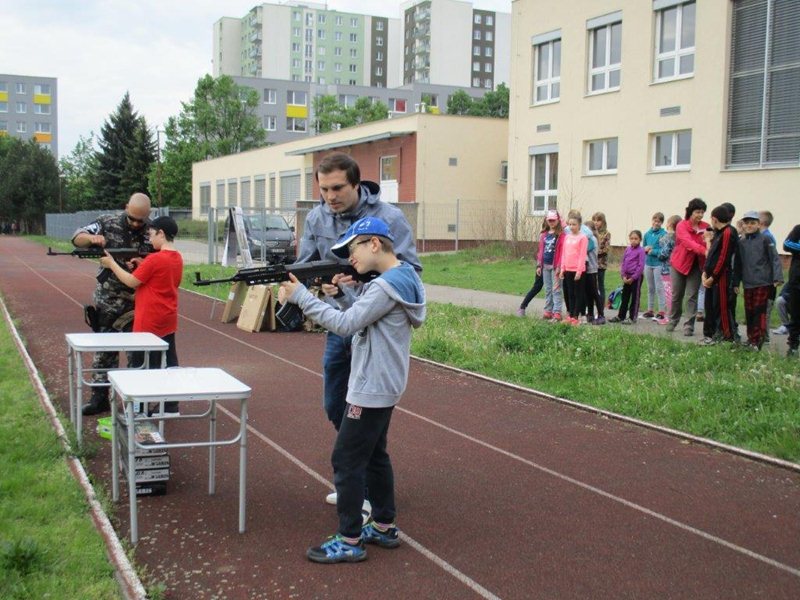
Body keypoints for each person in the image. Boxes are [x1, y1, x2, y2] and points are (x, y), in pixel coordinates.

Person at [279, 217, 426, 564]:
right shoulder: (404, 278)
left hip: (370, 386)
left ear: (374, 243)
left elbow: (346, 326)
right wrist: (345, 294)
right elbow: (366, 316)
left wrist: (301, 297)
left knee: (345, 460)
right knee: (375, 455)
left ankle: (349, 539)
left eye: (353, 248)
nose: (350, 258)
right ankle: (385, 526)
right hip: (384, 383)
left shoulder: (383, 286)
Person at [296, 153, 421, 509]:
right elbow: (307, 265)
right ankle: (360, 473)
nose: (330, 197)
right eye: (323, 190)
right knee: (336, 403)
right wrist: (322, 284)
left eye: (337, 188)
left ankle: (360, 482)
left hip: (373, 323)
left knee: (368, 407)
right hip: (340, 316)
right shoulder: (317, 216)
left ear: (356, 184)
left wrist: (363, 278)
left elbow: (409, 268)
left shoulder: (388, 218)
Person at [72, 193, 153, 415]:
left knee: (137, 355)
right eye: (132, 218)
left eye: (141, 220)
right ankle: (99, 397)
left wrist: (143, 263)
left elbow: (162, 258)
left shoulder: (152, 231)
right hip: (108, 300)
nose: (136, 224)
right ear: (126, 207)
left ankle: (136, 402)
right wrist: (91, 239)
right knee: (104, 352)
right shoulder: (106, 222)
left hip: (138, 301)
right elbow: (77, 237)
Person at [99, 216, 183, 410]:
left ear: (161, 233)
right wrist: (142, 264)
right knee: (168, 361)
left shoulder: (154, 259)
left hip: (149, 320)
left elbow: (130, 281)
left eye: (152, 235)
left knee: (141, 366)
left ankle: (139, 407)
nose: (150, 239)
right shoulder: (176, 257)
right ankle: (170, 405)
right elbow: (164, 279)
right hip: (167, 317)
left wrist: (111, 264)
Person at [735, 211, 783, 350]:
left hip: (763, 282)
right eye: (747, 223)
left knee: (759, 312)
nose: (749, 226)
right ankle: (751, 339)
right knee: (749, 311)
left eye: (753, 223)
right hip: (748, 283)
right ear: (743, 225)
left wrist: (777, 277)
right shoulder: (741, 242)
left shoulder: (765, 239)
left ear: (758, 224)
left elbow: (774, 258)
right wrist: (736, 282)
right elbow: (738, 264)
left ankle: (757, 340)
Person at [666, 198, 708, 336]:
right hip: (679, 264)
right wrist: (704, 250)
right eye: (697, 212)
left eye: (702, 212)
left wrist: (707, 247)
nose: (700, 215)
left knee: (692, 296)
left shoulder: (706, 227)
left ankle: (689, 325)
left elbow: (710, 241)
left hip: (696, 266)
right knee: (676, 294)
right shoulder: (682, 225)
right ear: (690, 212)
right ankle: (673, 320)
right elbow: (687, 242)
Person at [700, 205, 739, 345]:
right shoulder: (717, 233)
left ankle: (726, 336)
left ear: (714, 219)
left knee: (720, 306)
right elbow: (711, 255)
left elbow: (724, 258)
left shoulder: (728, 232)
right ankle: (709, 335)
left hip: (721, 278)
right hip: (710, 276)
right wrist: (705, 272)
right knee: (709, 306)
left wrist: (713, 277)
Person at [609, 230, 646, 324]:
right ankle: (621, 316)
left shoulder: (641, 251)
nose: (633, 240)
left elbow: (640, 266)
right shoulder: (627, 249)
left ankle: (632, 317)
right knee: (624, 297)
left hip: (636, 278)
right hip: (626, 278)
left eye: (636, 239)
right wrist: (623, 276)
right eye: (632, 238)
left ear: (640, 240)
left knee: (635, 298)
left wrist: (633, 278)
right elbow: (623, 263)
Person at [534, 210, 564, 320]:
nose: (551, 222)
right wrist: (538, 265)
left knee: (556, 289)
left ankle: (557, 312)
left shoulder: (561, 235)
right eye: (549, 220)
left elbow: (562, 252)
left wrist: (560, 267)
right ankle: (548, 310)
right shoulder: (544, 235)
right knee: (548, 289)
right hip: (545, 266)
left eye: (553, 220)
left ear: (557, 220)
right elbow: (540, 251)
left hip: (556, 266)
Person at [559, 215, 588, 325]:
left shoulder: (582, 238)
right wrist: (562, 269)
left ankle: (576, 316)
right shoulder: (567, 237)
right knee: (570, 293)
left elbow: (582, 255)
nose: (571, 227)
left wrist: (579, 271)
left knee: (578, 293)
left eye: (574, 224)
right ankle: (570, 315)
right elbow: (564, 254)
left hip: (578, 270)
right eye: (570, 224)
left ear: (579, 225)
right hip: (567, 269)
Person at [655, 215, 681, 325]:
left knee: (669, 294)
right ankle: (673, 316)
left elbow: (663, 254)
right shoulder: (680, 237)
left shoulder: (668, 237)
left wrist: (655, 252)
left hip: (667, 269)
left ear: (669, 224)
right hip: (677, 268)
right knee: (674, 294)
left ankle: (669, 317)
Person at [642, 213, 668, 320]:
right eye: (654, 220)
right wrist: (645, 249)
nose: (656, 223)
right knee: (650, 287)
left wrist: (652, 251)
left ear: (661, 223)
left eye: (658, 221)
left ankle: (662, 311)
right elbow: (643, 248)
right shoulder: (647, 234)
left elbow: (664, 251)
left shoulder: (664, 234)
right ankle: (650, 309)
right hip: (648, 263)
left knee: (659, 288)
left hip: (658, 264)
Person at [783, 223, 800, 357]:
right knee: (796, 315)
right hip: (797, 281)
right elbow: (787, 244)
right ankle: (793, 345)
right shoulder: (798, 229)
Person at [584, 220, 605, 324]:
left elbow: (584, 249)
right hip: (587, 271)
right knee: (588, 294)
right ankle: (591, 314)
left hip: (591, 270)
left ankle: (601, 314)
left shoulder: (591, 239)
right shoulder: (588, 238)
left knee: (594, 293)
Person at [592, 212, 611, 304]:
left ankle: (601, 303)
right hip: (591, 264)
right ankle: (592, 302)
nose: (596, 222)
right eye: (594, 220)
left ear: (603, 222)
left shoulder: (606, 234)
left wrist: (595, 253)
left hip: (600, 264)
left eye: (598, 220)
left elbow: (606, 249)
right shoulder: (591, 233)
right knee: (592, 285)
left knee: (600, 285)